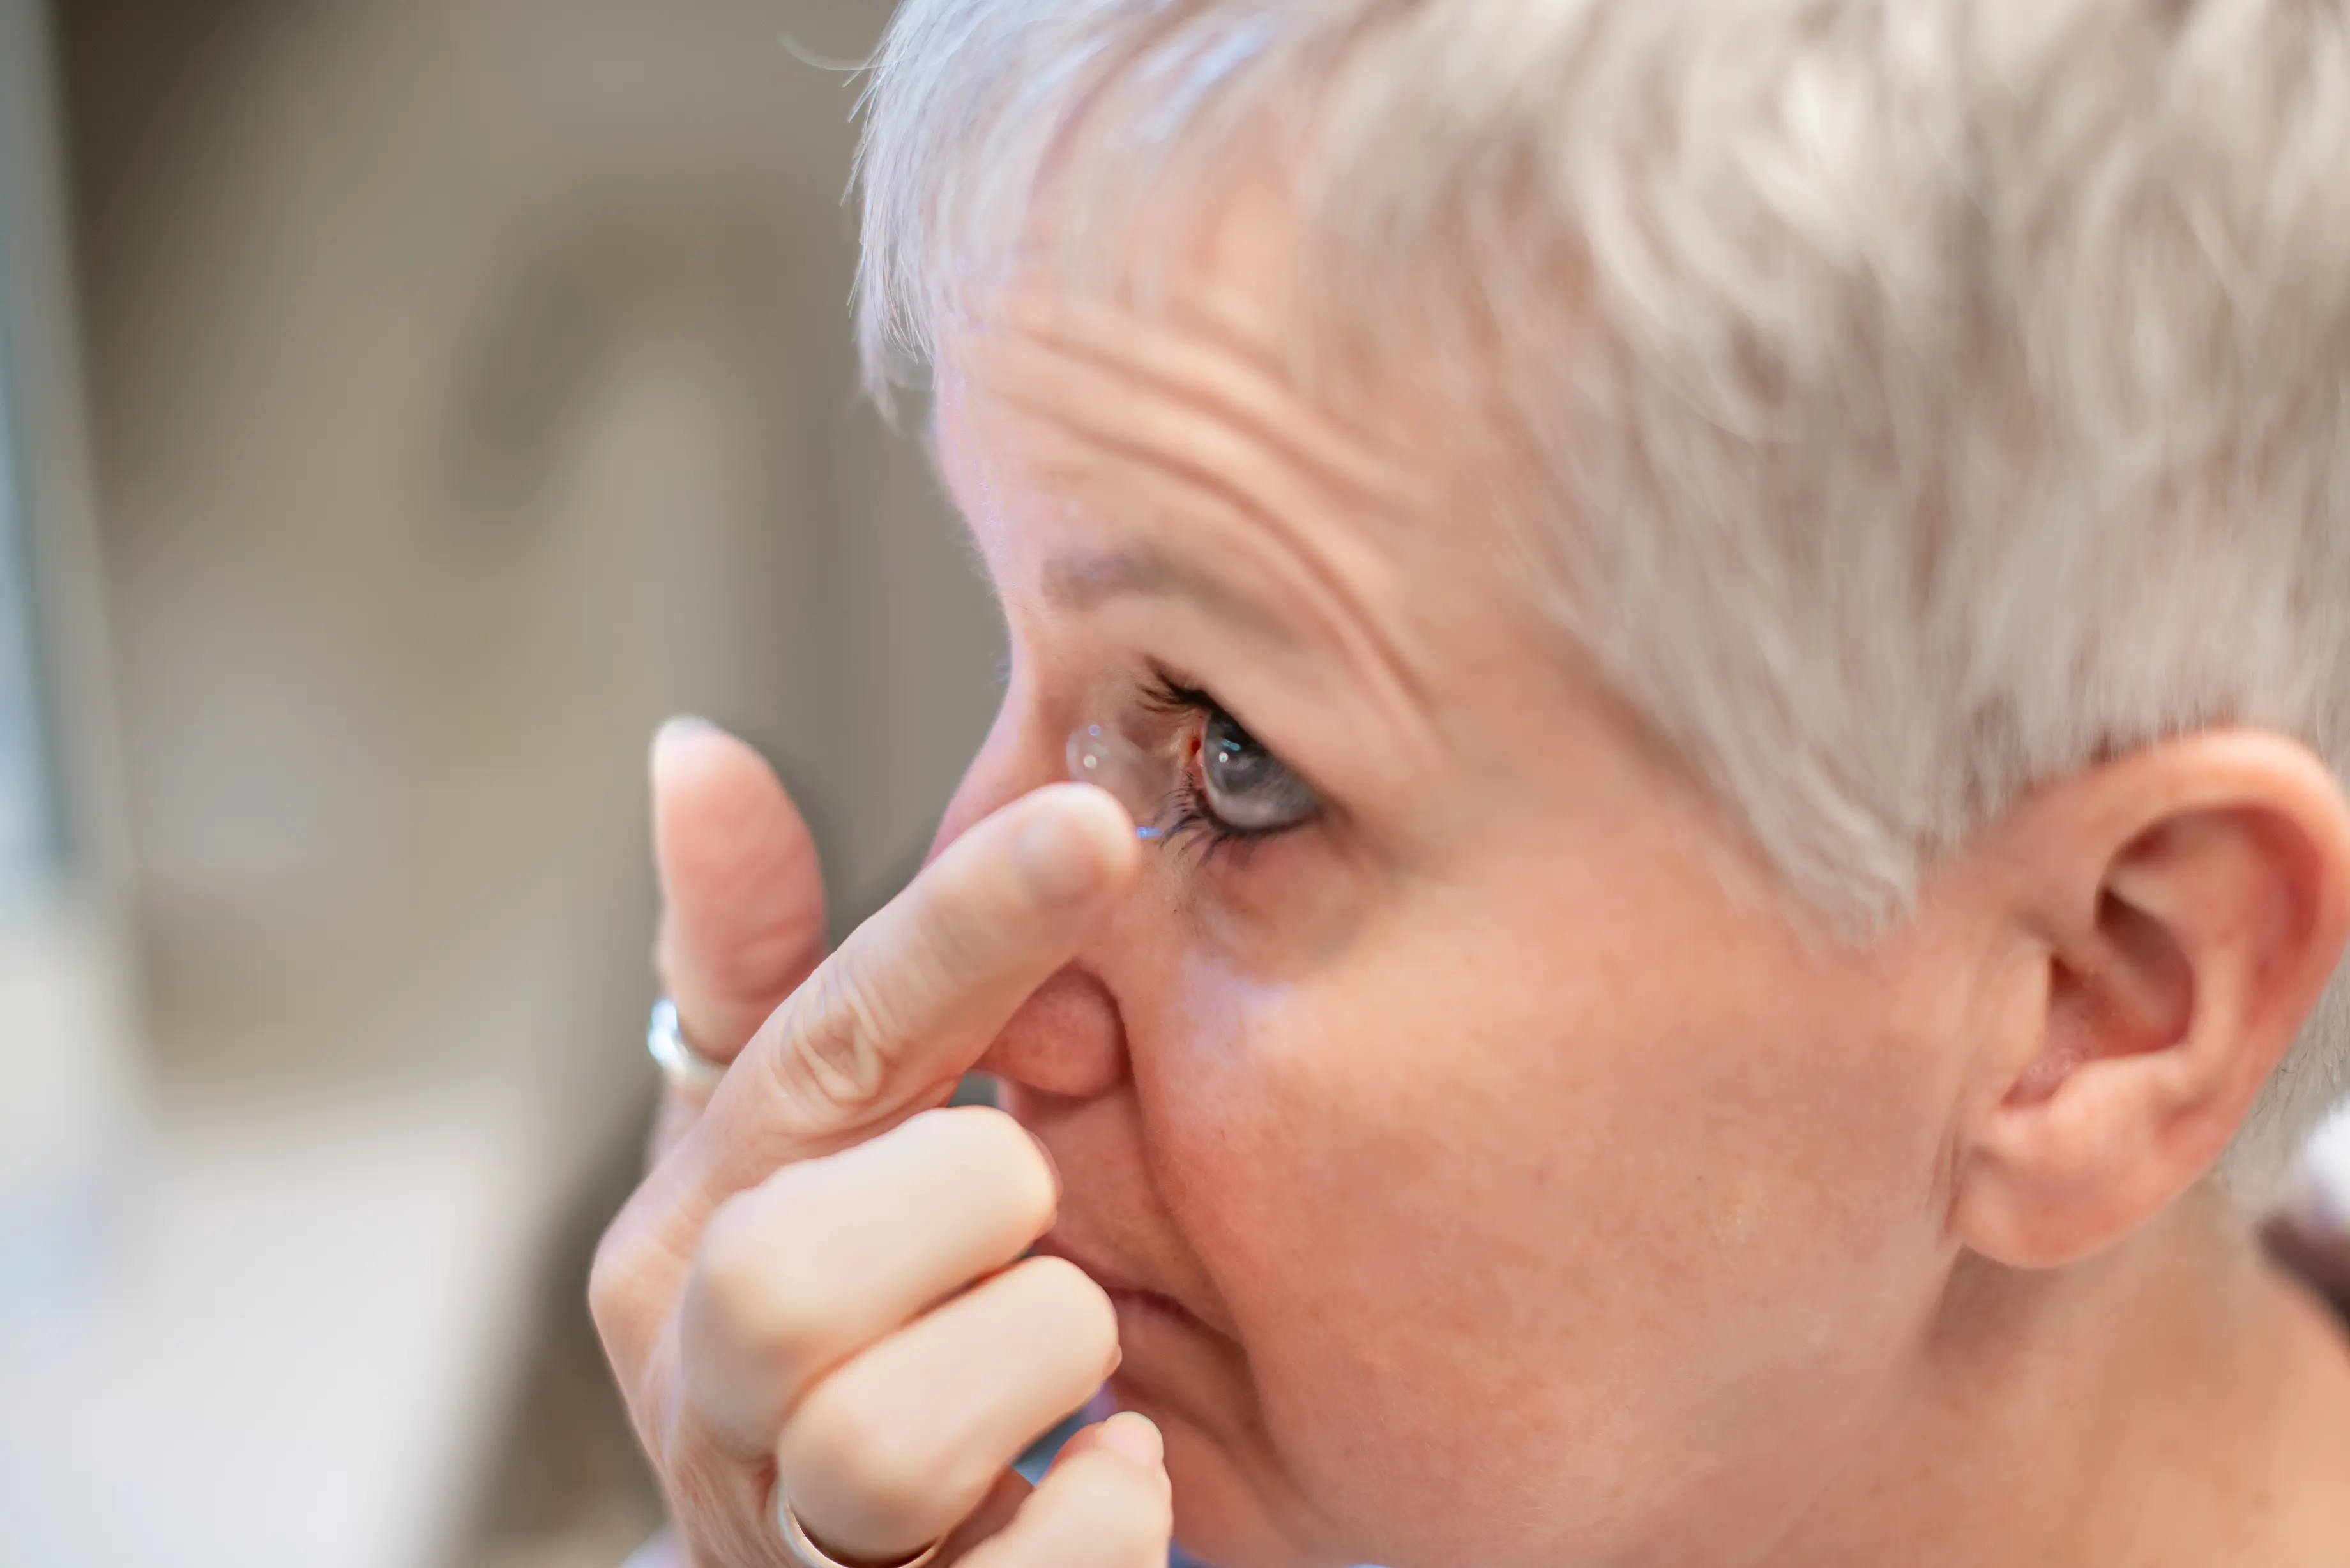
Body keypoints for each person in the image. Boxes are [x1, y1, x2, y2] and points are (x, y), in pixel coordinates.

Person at [588, 1, 2350, 1564]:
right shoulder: (1047, 1478)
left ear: (2098, 995)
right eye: (1014, 646)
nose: (964, 1021)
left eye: (1240, 765)